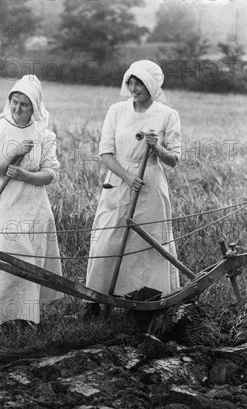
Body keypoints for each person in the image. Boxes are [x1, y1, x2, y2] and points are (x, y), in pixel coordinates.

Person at [84, 60, 181, 319]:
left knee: (146, 241)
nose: (134, 88)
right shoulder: (117, 110)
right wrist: (127, 177)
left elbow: (174, 159)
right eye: (131, 82)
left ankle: (143, 301)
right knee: (107, 238)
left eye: (139, 84)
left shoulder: (167, 114)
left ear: (151, 86)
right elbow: (105, 152)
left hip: (150, 182)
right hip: (118, 179)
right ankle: (95, 299)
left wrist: (157, 147)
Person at [0, 74, 63, 332]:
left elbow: (51, 173)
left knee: (29, 259)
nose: (18, 108)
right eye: (14, 101)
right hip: (3, 206)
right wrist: (11, 156)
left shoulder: (45, 135)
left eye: (24, 104)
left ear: (34, 107)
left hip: (34, 206)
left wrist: (26, 175)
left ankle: (25, 317)